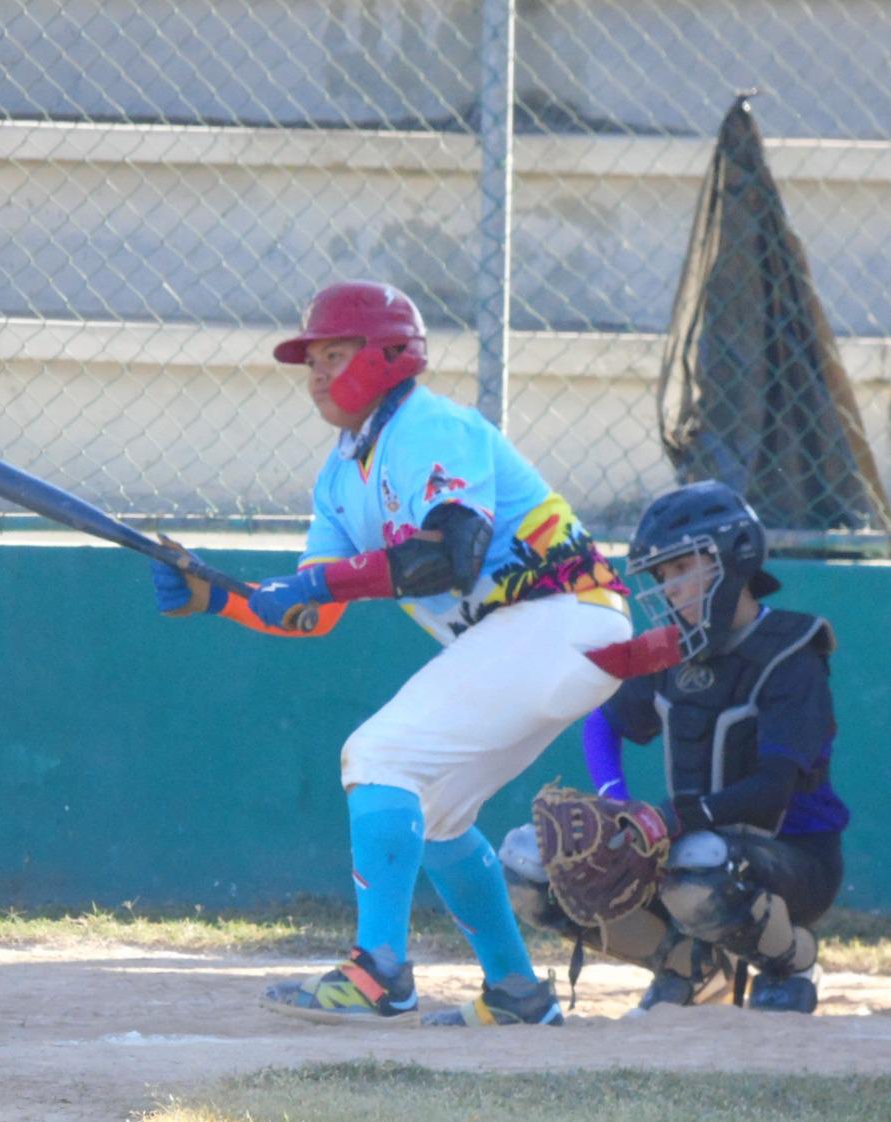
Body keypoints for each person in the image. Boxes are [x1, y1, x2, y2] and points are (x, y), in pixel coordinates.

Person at [150, 279, 634, 1026]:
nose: (316, 374)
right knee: (435, 813)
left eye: (334, 354)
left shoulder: (429, 427)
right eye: (310, 359)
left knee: (376, 755)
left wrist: (323, 580)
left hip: (562, 616)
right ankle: (516, 994)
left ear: (389, 356)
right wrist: (220, 598)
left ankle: (379, 973)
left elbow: (450, 556)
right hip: (532, 639)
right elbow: (315, 617)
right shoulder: (340, 476)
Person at [502, 480, 849, 1015]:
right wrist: (617, 801)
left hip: (794, 862)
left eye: (683, 568)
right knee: (532, 863)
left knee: (695, 858)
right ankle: (689, 965)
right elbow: (603, 725)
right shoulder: (674, 652)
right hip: (692, 842)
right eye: (663, 577)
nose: (671, 589)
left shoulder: (792, 653)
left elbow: (772, 788)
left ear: (733, 559)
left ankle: (792, 961)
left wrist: (671, 821)